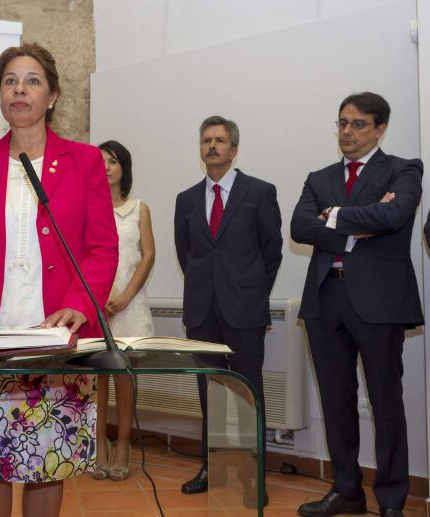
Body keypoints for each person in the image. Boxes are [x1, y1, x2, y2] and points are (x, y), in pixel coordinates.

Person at [0, 43, 118, 517]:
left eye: (33, 80)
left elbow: (102, 248)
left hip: (56, 338)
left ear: (53, 95)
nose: (20, 89)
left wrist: (81, 304)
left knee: (46, 465)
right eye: (10, 81)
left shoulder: (84, 162)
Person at [291, 92, 422, 517]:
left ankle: (391, 500)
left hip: (379, 302)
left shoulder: (403, 169)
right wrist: (357, 222)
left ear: (380, 128)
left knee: (386, 404)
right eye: (342, 123)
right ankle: (346, 490)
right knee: (336, 401)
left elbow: (395, 216)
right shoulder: (319, 176)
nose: (347, 131)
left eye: (358, 124)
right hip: (326, 299)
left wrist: (333, 217)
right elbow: (298, 227)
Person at [174, 115, 282, 502]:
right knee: (210, 394)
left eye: (220, 140)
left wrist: (250, 292)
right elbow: (187, 254)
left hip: (246, 311)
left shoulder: (259, 192)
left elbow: (272, 250)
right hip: (202, 311)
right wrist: (210, 289)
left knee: (250, 392)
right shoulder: (186, 199)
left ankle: (256, 475)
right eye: (206, 140)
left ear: (234, 149)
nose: (212, 146)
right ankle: (212, 467)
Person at [93, 140, 155, 482]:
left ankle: (122, 446)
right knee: (98, 378)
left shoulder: (138, 208)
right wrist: (100, 300)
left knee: (124, 378)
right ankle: (99, 443)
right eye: (100, 161)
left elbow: (148, 256)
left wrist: (126, 296)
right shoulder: (89, 209)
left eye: (112, 161)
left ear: (123, 168)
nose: (105, 167)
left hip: (129, 306)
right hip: (98, 307)